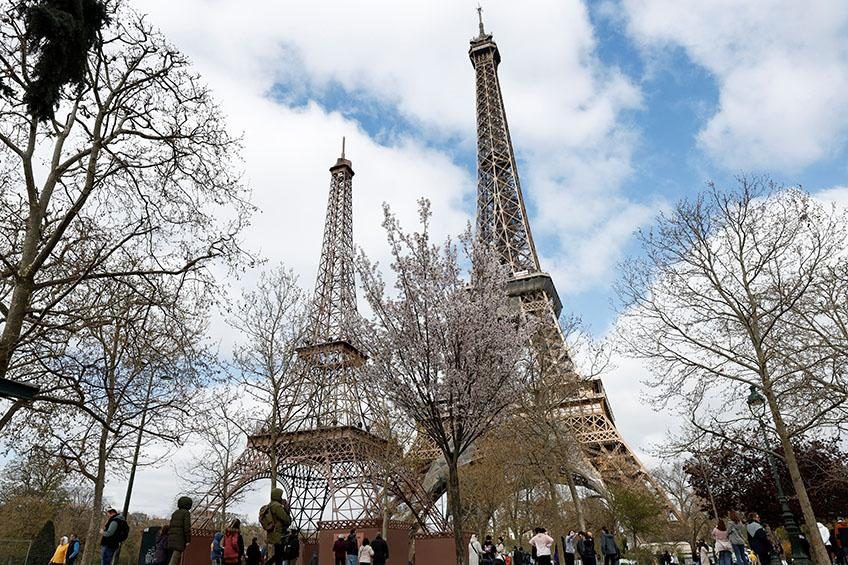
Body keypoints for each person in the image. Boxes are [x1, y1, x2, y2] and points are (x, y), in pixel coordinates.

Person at [266, 488, 291, 565]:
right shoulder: (277, 506)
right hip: (279, 534)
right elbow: (286, 519)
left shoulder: (270, 505)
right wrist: (286, 509)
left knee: (277, 555)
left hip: (273, 533)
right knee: (279, 556)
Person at [167, 496, 193, 565]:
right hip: (179, 540)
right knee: (175, 560)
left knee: (173, 559)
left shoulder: (175, 513)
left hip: (171, 539)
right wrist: (188, 540)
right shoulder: (186, 513)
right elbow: (187, 527)